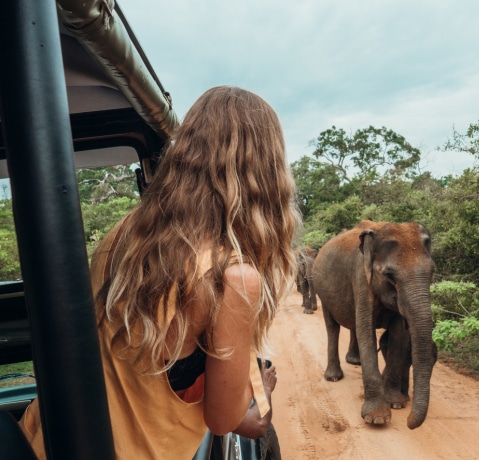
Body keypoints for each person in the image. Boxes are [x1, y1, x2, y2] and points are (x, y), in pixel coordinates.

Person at [19, 86, 299, 459]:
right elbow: (225, 420)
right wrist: (259, 388)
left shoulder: (123, 234)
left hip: (44, 439)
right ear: (267, 174)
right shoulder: (231, 277)